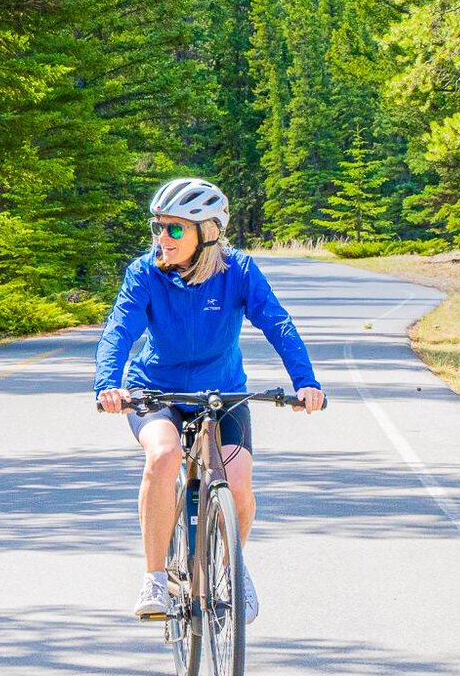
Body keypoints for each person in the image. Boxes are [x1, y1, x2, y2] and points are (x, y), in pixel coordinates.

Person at [94, 177, 324, 625]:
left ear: (209, 231)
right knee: (163, 456)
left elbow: (278, 324)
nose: (163, 238)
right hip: (155, 389)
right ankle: (155, 577)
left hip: (222, 392)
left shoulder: (237, 270)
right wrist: (109, 383)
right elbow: (119, 330)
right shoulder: (145, 272)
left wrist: (306, 383)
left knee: (237, 480)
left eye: (175, 229)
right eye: (158, 227)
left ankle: (231, 570)